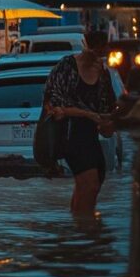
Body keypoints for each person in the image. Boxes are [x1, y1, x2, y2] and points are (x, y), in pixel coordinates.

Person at [44, 28, 117, 216]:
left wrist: (107, 121)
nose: (97, 57)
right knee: (89, 182)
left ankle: (81, 227)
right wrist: (86, 114)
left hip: (91, 135)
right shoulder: (66, 67)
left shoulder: (102, 73)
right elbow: (52, 104)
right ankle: (84, 229)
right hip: (70, 133)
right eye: (95, 51)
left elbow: (108, 106)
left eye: (102, 52)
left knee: (95, 181)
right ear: (85, 46)